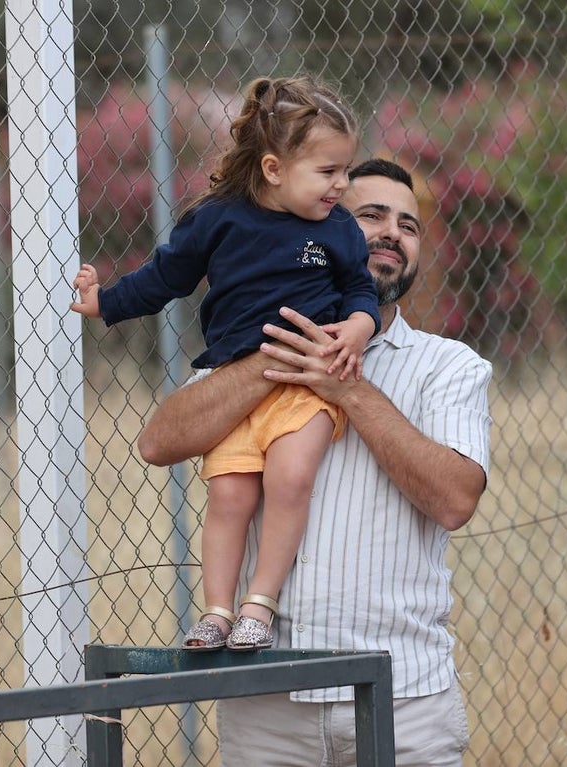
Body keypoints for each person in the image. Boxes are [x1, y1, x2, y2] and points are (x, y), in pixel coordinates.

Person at [136, 158, 493, 766]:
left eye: (409, 226)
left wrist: (349, 388)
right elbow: (159, 441)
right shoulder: (252, 345)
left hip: (402, 696)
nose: (391, 234)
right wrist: (276, 357)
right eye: (371, 215)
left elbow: (455, 500)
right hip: (267, 700)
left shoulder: (449, 367)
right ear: (319, 229)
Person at [71, 75, 381, 652]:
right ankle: (216, 611)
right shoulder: (217, 219)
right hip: (231, 389)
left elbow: (360, 289)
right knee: (231, 497)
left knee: (290, 479)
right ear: (272, 169)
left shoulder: (337, 228)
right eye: (328, 171)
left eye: (346, 170)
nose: (343, 185)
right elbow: (166, 278)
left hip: (303, 387)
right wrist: (104, 302)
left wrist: (361, 326)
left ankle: (258, 605)